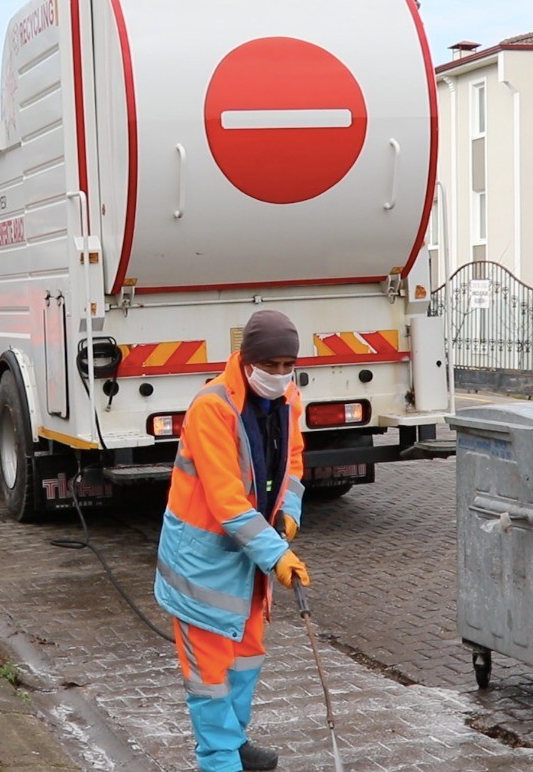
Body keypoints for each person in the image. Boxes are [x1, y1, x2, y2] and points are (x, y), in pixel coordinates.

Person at [153, 309, 309, 772]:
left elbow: (294, 463)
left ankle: (235, 743)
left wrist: (289, 514)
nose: (279, 375)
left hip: (248, 564)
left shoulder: (288, 401)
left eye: (287, 366)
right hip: (202, 569)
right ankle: (219, 759)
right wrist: (278, 555)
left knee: (245, 660)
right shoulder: (212, 408)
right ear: (245, 360)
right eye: (271, 365)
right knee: (210, 678)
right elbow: (226, 500)